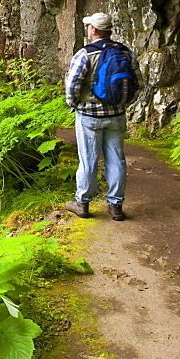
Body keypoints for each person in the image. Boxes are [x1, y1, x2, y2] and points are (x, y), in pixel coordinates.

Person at [63, 12, 141, 221]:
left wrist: (76, 105)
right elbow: (138, 84)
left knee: (88, 160)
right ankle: (115, 205)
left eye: (89, 26)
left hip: (89, 116)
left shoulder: (85, 54)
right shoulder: (126, 53)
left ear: (94, 30)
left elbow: (72, 87)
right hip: (117, 116)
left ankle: (83, 203)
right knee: (116, 158)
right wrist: (124, 104)